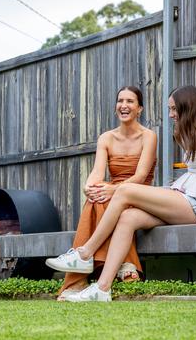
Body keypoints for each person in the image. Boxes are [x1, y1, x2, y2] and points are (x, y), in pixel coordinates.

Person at [46, 85, 196, 302]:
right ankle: (102, 288)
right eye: (170, 109)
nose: (171, 114)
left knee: (123, 190)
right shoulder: (185, 132)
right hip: (186, 198)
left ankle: (84, 253)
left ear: (188, 106)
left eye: (174, 109)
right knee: (128, 217)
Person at [45, 86, 157, 301]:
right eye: (120, 101)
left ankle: (78, 275)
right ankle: (124, 264)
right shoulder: (106, 138)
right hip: (111, 194)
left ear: (140, 108)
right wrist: (90, 186)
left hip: (139, 195)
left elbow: (141, 176)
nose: (124, 105)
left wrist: (112, 189)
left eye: (130, 101)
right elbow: (97, 172)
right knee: (96, 199)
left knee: (104, 198)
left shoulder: (148, 136)